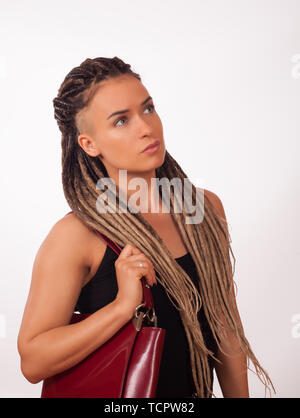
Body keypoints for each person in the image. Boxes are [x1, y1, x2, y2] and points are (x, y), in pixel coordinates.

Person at [17, 56, 275, 398]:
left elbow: (225, 326)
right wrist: (123, 307)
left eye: (148, 108)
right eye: (121, 121)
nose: (145, 127)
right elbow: (33, 361)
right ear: (89, 144)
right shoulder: (77, 236)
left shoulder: (205, 207)